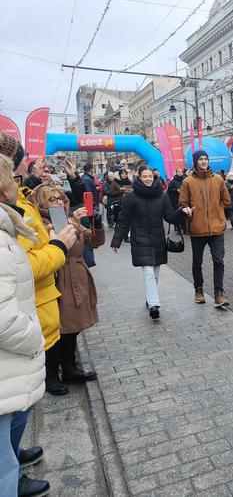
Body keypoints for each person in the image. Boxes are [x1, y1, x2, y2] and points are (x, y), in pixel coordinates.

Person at [0, 133, 77, 397]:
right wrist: (58, 245)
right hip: (30, 312)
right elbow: (25, 265)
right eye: (22, 163)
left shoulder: (20, 201)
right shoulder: (13, 208)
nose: (28, 167)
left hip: (43, 300)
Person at [0, 155, 50, 497]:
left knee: (14, 418)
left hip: (12, 363)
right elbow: (3, 318)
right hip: (12, 352)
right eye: (15, 177)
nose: (21, 182)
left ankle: (12, 463)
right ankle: (10, 477)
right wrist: (35, 339)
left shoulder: (7, 226)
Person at [31, 184, 104, 383]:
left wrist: (96, 223)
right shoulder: (39, 222)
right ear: (41, 203)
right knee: (57, 328)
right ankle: (52, 374)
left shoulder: (69, 218)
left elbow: (94, 241)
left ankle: (70, 367)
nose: (58, 203)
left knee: (73, 326)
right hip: (56, 279)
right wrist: (72, 223)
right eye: (52, 199)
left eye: (60, 199)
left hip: (77, 277)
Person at [111, 165, 186, 319]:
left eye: (150, 176)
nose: (148, 179)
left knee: (155, 273)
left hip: (158, 240)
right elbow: (124, 221)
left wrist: (181, 212)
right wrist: (116, 241)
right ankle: (154, 305)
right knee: (149, 273)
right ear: (138, 177)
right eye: (144, 176)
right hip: (140, 240)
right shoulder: (130, 197)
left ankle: (150, 298)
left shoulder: (162, 195)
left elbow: (169, 217)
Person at [178, 150, 232, 307]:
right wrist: (187, 211)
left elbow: (226, 200)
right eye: (200, 159)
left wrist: (220, 213)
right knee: (197, 262)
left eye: (205, 159)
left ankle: (219, 294)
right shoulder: (187, 182)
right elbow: (182, 203)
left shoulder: (218, 179)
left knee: (219, 261)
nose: (203, 161)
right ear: (195, 162)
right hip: (197, 228)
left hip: (217, 228)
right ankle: (199, 290)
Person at [167, 168, 187, 234]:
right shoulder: (173, 181)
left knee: (184, 214)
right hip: (175, 200)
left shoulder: (185, 179)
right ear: (176, 172)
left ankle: (184, 228)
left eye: (181, 171)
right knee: (177, 214)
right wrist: (176, 190)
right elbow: (169, 189)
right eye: (178, 171)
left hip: (184, 200)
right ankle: (178, 228)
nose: (180, 172)